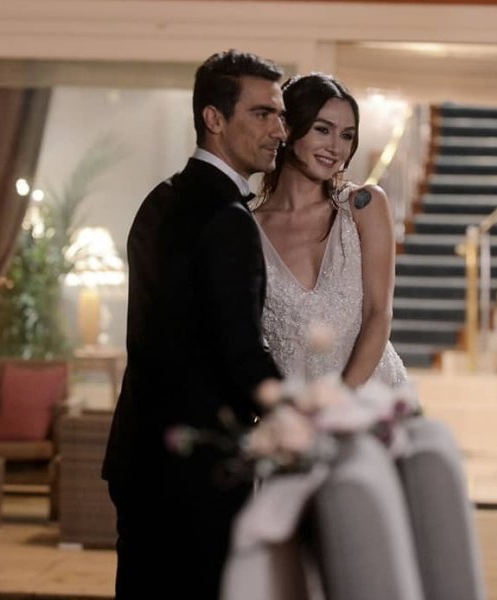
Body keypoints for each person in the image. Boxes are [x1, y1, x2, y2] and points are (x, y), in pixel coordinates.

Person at [101, 50, 285, 599]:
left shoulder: (159, 200)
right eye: (262, 114)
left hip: (140, 456)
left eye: (280, 115)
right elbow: (241, 354)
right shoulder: (229, 219)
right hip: (201, 470)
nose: (279, 130)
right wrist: (309, 416)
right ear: (214, 118)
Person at [253, 72, 406, 386]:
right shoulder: (249, 228)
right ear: (287, 128)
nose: (336, 147)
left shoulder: (364, 206)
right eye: (323, 130)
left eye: (347, 136)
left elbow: (378, 313)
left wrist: (341, 402)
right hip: (296, 407)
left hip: (371, 396)